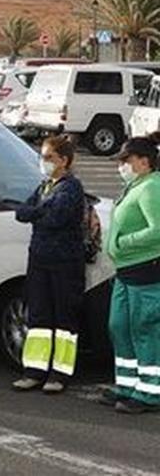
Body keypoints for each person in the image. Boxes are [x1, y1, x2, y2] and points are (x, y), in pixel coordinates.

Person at [12, 135, 86, 394]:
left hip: (65, 261)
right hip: (40, 258)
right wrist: (39, 212)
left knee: (64, 318)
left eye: (49, 158)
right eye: (42, 157)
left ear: (64, 161)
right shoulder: (45, 186)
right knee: (39, 315)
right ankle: (34, 370)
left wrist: (37, 213)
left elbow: (56, 217)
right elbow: (22, 212)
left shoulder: (71, 188)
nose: (44, 162)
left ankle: (60, 374)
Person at [102, 134, 160, 414]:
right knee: (119, 326)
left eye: (127, 160)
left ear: (145, 162)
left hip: (146, 270)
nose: (121, 166)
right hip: (126, 270)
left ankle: (150, 393)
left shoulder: (152, 187)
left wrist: (124, 243)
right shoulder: (136, 185)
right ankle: (126, 385)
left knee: (144, 328)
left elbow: (158, 230)